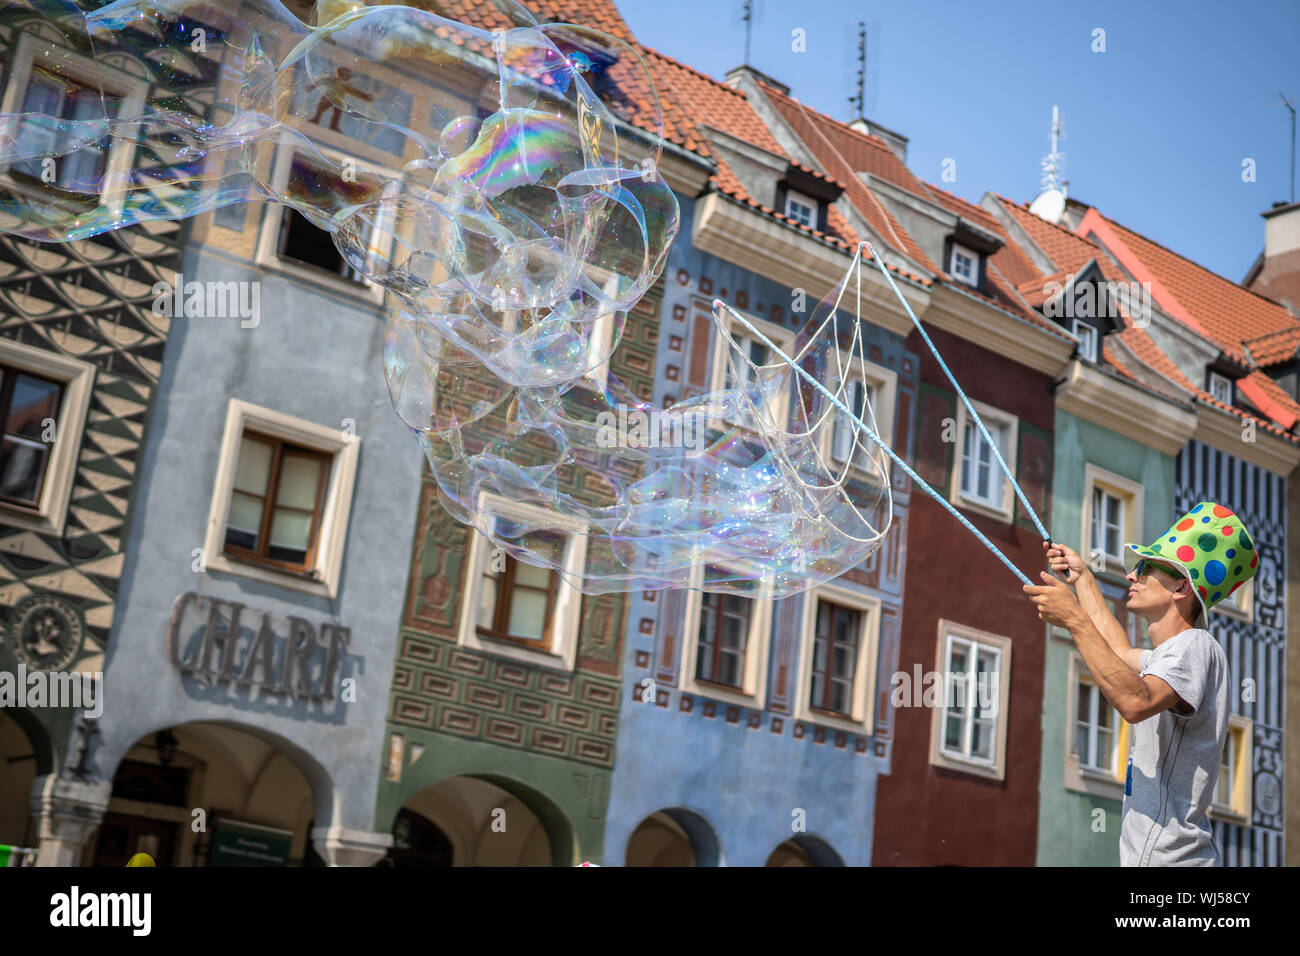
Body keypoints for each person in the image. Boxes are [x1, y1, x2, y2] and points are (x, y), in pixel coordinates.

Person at [1023, 502, 1258, 866]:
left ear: (1182, 586)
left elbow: (1134, 701)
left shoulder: (1195, 645)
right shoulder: (1171, 655)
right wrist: (1084, 580)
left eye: (1146, 567)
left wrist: (1074, 620)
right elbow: (1116, 652)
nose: (1132, 576)